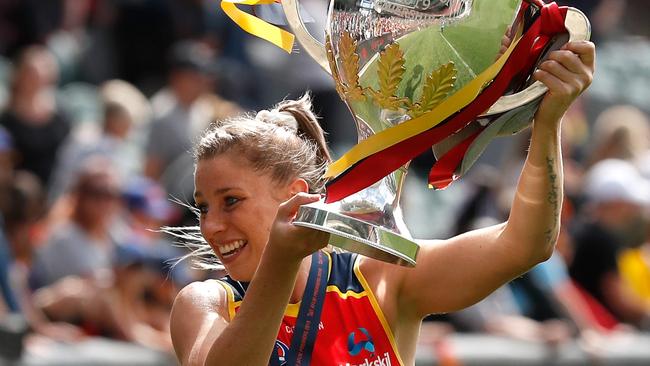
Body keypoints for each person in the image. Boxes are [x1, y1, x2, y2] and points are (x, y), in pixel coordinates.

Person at [169, 40, 595, 365]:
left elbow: (524, 245)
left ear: (296, 196)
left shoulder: (379, 279)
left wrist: (547, 120)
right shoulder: (204, 302)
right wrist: (280, 260)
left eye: (231, 201)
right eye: (204, 205)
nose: (212, 225)